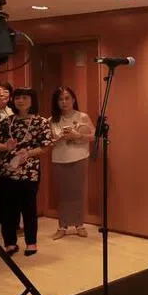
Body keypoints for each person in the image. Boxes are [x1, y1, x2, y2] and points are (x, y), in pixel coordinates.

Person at [0, 88, 53, 256]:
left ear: (32, 100)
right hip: (7, 170)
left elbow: (46, 145)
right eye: (17, 97)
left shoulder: (41, 121)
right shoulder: (6, 121)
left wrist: (28, 153)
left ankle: (31, 243)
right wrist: (6, 147)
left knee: (29, 208)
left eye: (25, 97)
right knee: (7, 209)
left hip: (29, 171)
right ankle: (10, 243)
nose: (20, 101)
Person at [49, 86, 94, 239]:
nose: (64, 102)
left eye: (67, 98)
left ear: (73, 100)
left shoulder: (82, 116)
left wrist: (77, 136)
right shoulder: (51, 120)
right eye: (60, 99)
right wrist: (59, 138)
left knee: (77, 192)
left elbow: (94, 136)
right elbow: (47, 142)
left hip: (79, 157)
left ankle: (79, 225)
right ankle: (62, 226)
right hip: (59, 158)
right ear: (56, 102)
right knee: (62, 193)